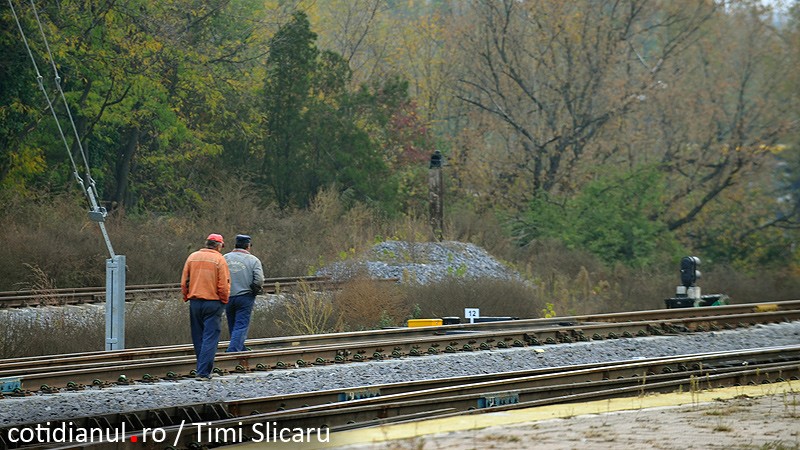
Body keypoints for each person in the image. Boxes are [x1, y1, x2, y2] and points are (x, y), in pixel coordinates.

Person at [181, 233, 230, 380]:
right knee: (210, 337)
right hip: (213, 302)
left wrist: (186, 297)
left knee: (198, 337)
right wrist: (224, 300)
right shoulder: (219, 260)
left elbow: (185, 282)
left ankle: (202, 368)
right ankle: (203, 372)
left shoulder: (192, 257)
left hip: (195, 302)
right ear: (219, 245)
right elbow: (223, 285)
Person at [224, 234, 265, 352]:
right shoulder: (253, 260)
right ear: (248, 246)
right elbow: (259, 279)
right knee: (241, 325)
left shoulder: (225, 258)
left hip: (228, 295)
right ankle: (233, 350)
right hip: (245, 296)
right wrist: (255, 288)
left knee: (232, 323)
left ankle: (240, 348)